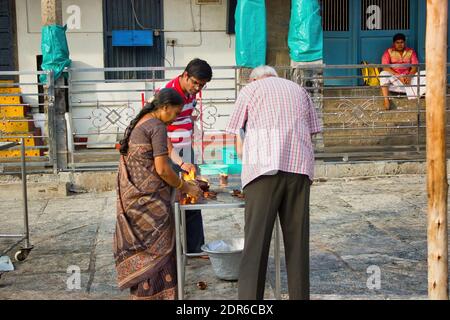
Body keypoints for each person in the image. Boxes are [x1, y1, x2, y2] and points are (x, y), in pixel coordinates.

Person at [226, 65, 321, 300]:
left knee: (256, 243)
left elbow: (234, 129)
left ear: (253, 78)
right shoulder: (299, 90)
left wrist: (245, 157)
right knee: (297, 243)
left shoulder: (251, 89)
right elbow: (313, 131)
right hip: (298, 168)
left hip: (262, 170)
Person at [113, 88, 203, 300]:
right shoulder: (156, 126)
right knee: (157, 249)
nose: (174, 118)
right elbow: (162, 169)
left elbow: (165, 148)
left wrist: (180, 163)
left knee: (145, 250)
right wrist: (184, 186)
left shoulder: (144, 120)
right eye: (174, 112)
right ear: (164, 107)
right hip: (148, 200)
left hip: (134, 198)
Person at [161, 58, 213, 254]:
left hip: (186, 151)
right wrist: (180, 161)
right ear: (184, 76)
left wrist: (189, 118)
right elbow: (161, 132)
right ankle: (169, 251)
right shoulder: (169, 94)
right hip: (170, 155)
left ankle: (195, 248)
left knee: (192, 196)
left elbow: (181, 118)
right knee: (171, 202)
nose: (197, 88)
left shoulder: (190, 93)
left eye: (202, 85)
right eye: (195, 83)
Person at [380, 33, 426, 110]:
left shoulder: (410, 51)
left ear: (404, 43)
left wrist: (410, 76)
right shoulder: (388, 52)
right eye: (397, 42)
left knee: (426, 73)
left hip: (408, 79)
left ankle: (424, 95)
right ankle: (386, 100)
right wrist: (399, 76)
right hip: (395, 79)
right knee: (383, 74)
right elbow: (385, 67)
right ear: (394, 43)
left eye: (402, 42)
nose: (400, 44)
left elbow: (414, 67)